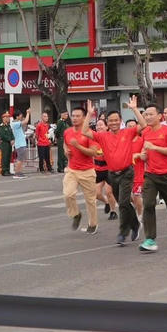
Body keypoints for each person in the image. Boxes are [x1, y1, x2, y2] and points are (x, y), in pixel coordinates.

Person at [135, 104, 167, 252]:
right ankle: (150, 239)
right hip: (150, 174)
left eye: (151, 114)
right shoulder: (146, 132)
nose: (148, 117)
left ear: (159, 116)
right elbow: (144, 151)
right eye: (146, 115)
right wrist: (143, 156)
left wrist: (155, 148)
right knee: (148, 204)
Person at [97, 102, 142, 246]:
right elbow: (85, 132)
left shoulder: (127, 132)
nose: (114, 122)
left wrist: (134, 109)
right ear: (107, 123)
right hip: (112, 174)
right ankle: (135, 224)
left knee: (122, 203)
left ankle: (123, 232)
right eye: (111, 120)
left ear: (120, 121)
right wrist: (89, 113)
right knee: (123, 203)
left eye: (116, 120)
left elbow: (143, 124)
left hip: (127, 172)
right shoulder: (103, 136)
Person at [61, 106, 103, 234]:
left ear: (84, 118)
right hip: (72, 170)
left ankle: (93, 224)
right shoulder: (67, 132)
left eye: (78, 116)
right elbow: (65, 143)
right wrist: (66, 151)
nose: (74, 118)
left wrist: (77, 146)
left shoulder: (89, 134)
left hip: (87, 171)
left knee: (90, 199)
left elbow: (93, 153)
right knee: (68, 194)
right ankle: (76, 214)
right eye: (73, 115)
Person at [0, 111, 15, 177]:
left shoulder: (9, 126)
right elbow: (2, 135)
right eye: (7, 117)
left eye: (8, 117)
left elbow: (11, 134)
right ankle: (4, 170)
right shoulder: (1, 127)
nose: (8, 119)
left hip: (9, 143)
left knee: (8, 156)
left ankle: (7, 170)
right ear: (3, 118)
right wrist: (10, 140)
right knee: (5, 157)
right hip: (5, 143)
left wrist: (13, 139)